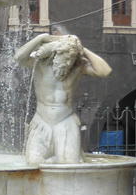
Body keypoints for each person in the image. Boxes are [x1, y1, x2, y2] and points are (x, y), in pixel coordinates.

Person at [15, 33, 112, 164]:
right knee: (33, 163)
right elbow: (19, 57)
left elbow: (104, 71)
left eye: (71, 60)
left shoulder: (78, 66)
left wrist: (82, 50)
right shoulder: (41, 62)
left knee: (69, 165)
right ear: (57, 53)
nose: (67, 63)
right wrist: (40, 38)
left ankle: (56, 159)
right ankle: (56, 158)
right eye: (66, 58)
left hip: (65, 122)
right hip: (41, 121)